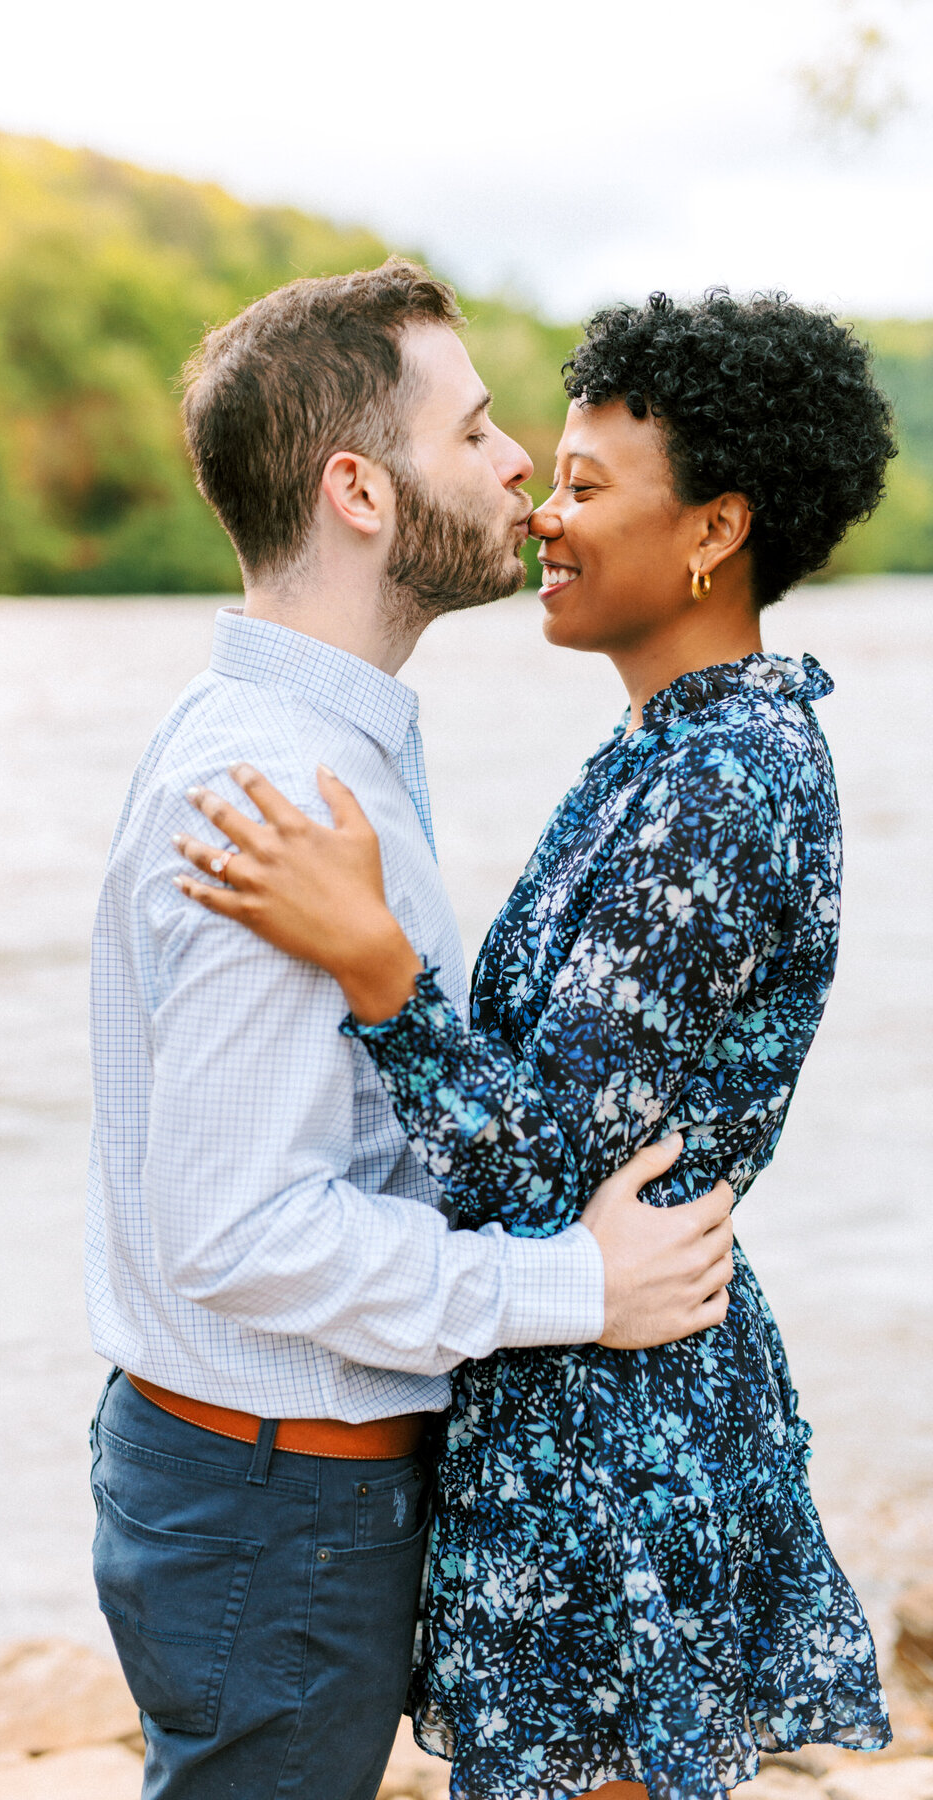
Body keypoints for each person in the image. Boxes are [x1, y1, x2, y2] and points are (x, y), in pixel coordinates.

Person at [171, 290, 897, 1800]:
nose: (539, 513)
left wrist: (379, 969)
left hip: (619, 1435)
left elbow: (540, 1160)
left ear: (714, 530)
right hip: (586, 1390)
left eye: (584, 485)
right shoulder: (667, 746)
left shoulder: (722, 782)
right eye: (542, 473)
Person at [85, 261, 737, 1800]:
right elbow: (239, 1233)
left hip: (249, 1480)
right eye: (479, 432)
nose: (525, 466)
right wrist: (574, 1285)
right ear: (360, 490)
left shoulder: (289, 734)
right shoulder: (286, 789)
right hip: (275, 1499)